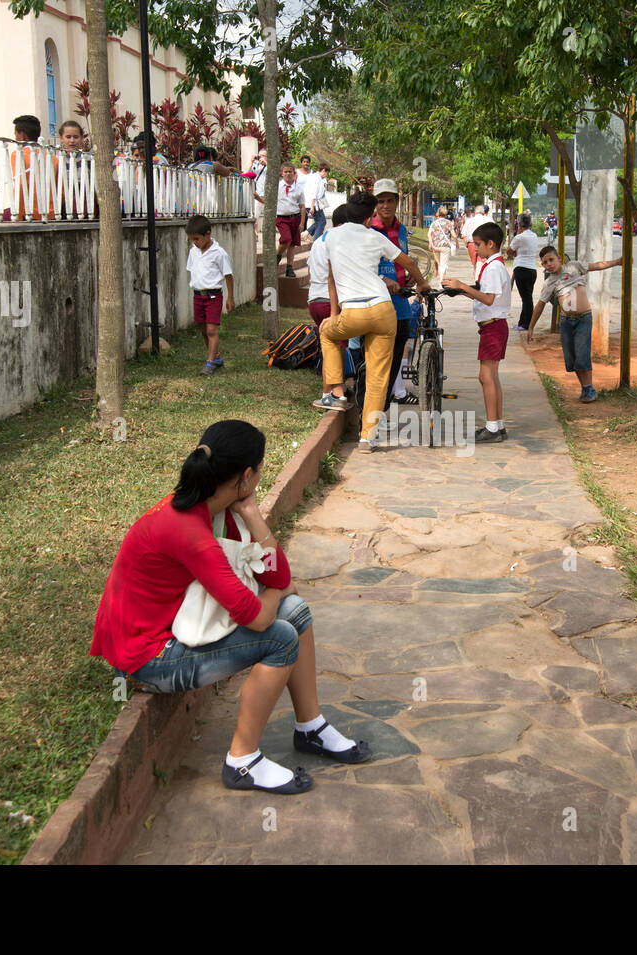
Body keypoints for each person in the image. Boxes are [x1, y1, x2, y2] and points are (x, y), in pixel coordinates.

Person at [91, 420, 371, 796]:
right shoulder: (190, 530)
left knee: (296, 611)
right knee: (281, 637)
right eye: (260, 469)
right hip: (147, 657)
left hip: (168, 628)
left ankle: (311, 727)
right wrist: (278, 589)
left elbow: (277, 572)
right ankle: (242, 761)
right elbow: (258, 616)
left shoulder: (213, 509)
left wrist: (254, 516)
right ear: (246, 475)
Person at [312, 191, 430, 453]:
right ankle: (369, 437)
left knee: (328, 334)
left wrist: (333, 315)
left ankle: (337, 394)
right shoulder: (376, 236)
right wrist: (422, 283)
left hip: (352, 312)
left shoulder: (330, 237)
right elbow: (408, 261)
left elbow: (330, 279)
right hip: (382, 310)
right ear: (369, 219)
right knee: (378, 377)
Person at [442, 221, 511, 442]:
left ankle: (492, 427)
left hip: (493, 326)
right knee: (492, 377)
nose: (476, 249)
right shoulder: (496, 266)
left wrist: (462, 286)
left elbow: (489, 299)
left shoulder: (492, 267)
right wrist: (461, 291)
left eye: (479, 244)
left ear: (491, 244)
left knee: (486, 376)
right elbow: (485, 294)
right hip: (495, 326)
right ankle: (497, 424)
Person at [524, 247, 621, 402]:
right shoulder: (549, 282)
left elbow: (596, 265)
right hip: (566, 322)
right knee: (572, 358)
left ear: (559, 258)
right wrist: (531, 327)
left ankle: (589, 388)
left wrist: (617, 262)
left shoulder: (574, 267)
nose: (549, 264)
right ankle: (585, 388)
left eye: (551, 259)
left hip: (583, 319)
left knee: (582, 354)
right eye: (544, 263)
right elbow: (540, 305)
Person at [370, 179, 416, 412]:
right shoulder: (368, 228)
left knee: (398, 352)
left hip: (400, 300)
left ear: (397, 201)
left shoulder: (401, 228)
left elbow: (401, 258)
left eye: (390, 200)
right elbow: (361, 265)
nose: (385, 206)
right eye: (380, 201)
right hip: (376, 302)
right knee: (378, 359)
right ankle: (375, 410)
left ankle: (387, 403)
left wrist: (406, 276)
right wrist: (382, 279)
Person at [186, 215, 234, 375]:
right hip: (198, 296)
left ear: (208, 234)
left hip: (213, 296)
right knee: (203, 329)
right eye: (192, 239)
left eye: (197, 239)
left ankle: (210, 362)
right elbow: (192, 271)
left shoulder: (219, 253)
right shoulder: (193, 252)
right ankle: (216, 357)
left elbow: (228, 275)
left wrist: (230, 297)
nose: (195, 242)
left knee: (212, 329)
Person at [307, 204, 350, 329]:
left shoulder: (318, 241)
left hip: (314, 301)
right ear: (341, 226)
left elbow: (310, 270)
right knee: (340, 347)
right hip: (330, 303)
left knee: (327, 345)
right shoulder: (340, 242)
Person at [510, 212, 540, 331]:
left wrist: (518, 233)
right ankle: (522, 322)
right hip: (532, 269)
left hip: (521, 268)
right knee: (527, 297)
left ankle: (527, 324)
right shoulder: (534, 236)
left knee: (526, 298)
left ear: (519, 224)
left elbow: (509, 250)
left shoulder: (519, 237)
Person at [274, 162, 304, 278]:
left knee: (292, 244)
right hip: (282, 218)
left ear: (294, 173)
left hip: (295, 218)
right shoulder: (277, 187)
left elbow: (301, 206)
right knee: (286, 239)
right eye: (285, 172)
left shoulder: (298, 188)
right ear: (282, 173)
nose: (288, 174)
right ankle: (278, 255)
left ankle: (289, 267)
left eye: (290, 171)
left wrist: (301, 223)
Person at [429, 205, 457, 283]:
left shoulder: (434, 223)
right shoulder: (448, 223)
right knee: (443, 265)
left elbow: (429, 234)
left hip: (436, 246)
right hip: (445, 246)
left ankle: (442, 278)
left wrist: (430, 244)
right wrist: (456, 243)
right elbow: (454, 235)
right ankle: (441, 282)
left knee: (440, 264)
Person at [304, 162, 329, 240]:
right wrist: (312, 206)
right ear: (323, 170)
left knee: (320, 221)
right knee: (321, 222)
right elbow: (314, 193)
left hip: (315, 204)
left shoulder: (318, 178)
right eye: (327, 173)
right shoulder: (316, 178)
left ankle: (306, 232)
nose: (326, 175)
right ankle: (316, 240)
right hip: (313, 204)